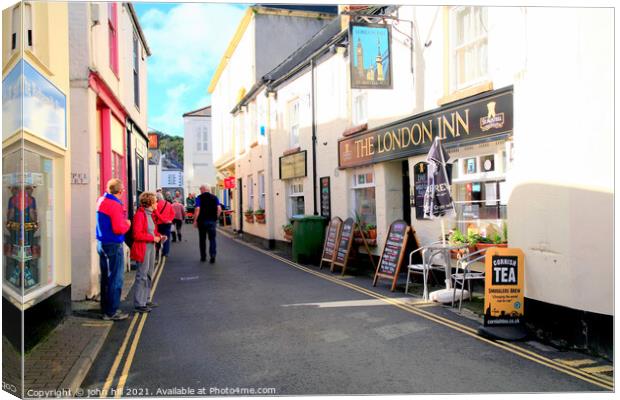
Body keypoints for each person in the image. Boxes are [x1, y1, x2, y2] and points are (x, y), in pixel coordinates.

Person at [96, 178, 131, 321]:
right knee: (116, 279)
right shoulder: (114, 205)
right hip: (113, 244)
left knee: (105, 278)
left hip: (102, 243)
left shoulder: (101, 201)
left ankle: (105, 308)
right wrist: (127, 224)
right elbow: (118, 228)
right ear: (121, 191)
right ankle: (111, 312)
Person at [130, 192, 164, 313]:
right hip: (143, 247)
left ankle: (146, 299)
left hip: (150, 247)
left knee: (149, 273)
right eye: (155, 201)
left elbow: (152, 232)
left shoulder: (151, 214)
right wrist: (153, 238)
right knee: (142, 275)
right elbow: (137, 234)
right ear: (149, 203)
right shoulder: (140, 215)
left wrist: (159, 236)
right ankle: (139, 304)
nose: (157, 204)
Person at [193, 185, 221, 263]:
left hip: (202, 222)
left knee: (202, 239)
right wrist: (216, 218)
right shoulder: (214, 197)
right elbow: (219, 209)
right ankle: (212, 255)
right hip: (212, 221)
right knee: (212, 239)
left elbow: (197, 209)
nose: (200, 190)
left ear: (203, 189)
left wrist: (195, 221)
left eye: (200, 189)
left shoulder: (199, 197)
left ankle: (203, 257)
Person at [154, 192, 175, 260]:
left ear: (157, 198)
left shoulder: (156, 204)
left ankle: (158, 251)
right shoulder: (168, 203)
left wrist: (163, 220)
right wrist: (169, 220)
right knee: (167, 238)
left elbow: (156, 214)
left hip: (159, 224)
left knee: (158, 237)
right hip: (167, 223)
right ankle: (165, 253)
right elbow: (173, 213)